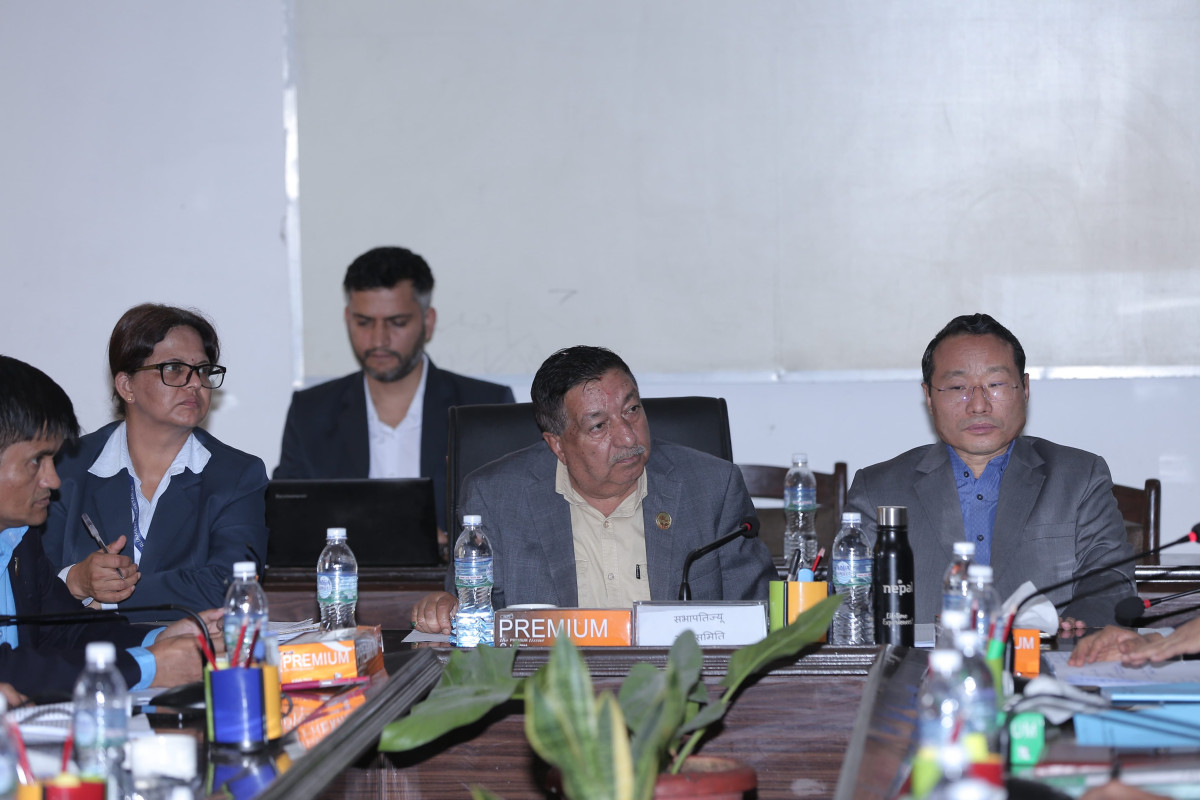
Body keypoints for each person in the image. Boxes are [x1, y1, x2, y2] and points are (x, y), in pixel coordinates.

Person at [412, 346, 776, 634]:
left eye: (632, 410)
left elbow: (761, 615)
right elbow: (471, 613)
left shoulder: (712, 487)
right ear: (556, 444)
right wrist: (444, 609)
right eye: (599, 426)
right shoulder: (495, 499)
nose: (629, 437)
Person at [846, 313, 1134, 627]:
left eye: (995, 384)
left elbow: (1110, 577)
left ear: (1024, 388)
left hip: (1043, 655)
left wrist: (1078, 632)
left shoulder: (1079, 477)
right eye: (957, 387)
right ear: (928, 396)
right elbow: (850, 601)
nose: (979, 405)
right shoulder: (877, 489)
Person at [0, 355, 218, 695]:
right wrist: (148, 667)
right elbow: (12, 667)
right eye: (35, 461)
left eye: (52, 459)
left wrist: (159, 638)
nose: (53, 480)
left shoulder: (19, 539)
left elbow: (68, 630)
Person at [41, 304, 269, 621]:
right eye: (174, 368)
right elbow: (24, 578)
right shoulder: (64, 467)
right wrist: (76, 580)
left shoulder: (238, 475)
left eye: (203, 370)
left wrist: (111, 600)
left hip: (187, 646)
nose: (195, 383)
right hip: (78, 647)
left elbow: (231, 585)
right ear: (127, 386)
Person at [274, 246, 516, 533]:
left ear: (428, 322)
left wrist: (451, 545)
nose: (379, 340)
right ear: (348, 320)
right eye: (364, 322)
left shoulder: (485, 407)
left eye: (397, 322)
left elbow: (514, 519)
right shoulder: (310, 413)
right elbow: (286, 523)